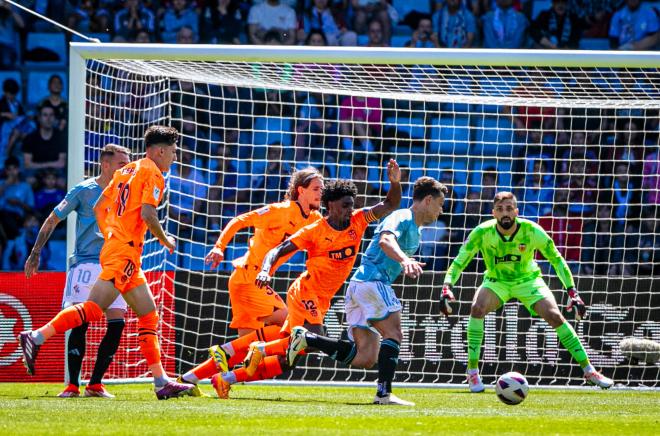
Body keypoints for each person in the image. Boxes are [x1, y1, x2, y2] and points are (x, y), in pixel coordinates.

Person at [18, 125, 195, 400]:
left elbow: (101, 205)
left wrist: (109, 232)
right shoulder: (154, 174)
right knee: (92, 310)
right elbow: (148, 213)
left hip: (122, 251)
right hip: (123, 252)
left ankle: (161, 382)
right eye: (173, 151)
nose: (174, 157)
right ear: (160, 151)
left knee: (148, 313)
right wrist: (164, 240)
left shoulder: (126, 170)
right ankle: (36, 336)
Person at [210, 159, 401, 400]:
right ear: (330, 205)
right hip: (305, 291)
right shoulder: (315, 230)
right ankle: (255, 348)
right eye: (344, 206)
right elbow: (277, 250)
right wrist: (265, 270)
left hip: (323, 298)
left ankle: (225, 378)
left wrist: (395, 183)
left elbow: (391, 203)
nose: (348, 211)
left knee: (288, 360)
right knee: (311, 339)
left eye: (351, 205)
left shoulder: (359, 220)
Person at [287, 177, 448, 406]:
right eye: (440, 204)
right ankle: (384, 394)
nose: (441, 210)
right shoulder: (402, 217)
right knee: (394, 334)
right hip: (372, 282)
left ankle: (307, 338)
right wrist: (405, 260)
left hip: (359, 286)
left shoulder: (416, 229)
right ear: (429, 200)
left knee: (366, 357)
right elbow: (385, 240)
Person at [440, 191, 614, 393]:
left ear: (516, 211)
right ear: (493, 213)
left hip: (529, 280)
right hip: (497, 280)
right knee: (476, 308)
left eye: (508, 209)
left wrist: (572, 292)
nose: (505, 213)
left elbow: (556, 259)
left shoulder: (532, 230)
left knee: (555, 316)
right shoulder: (481, 232)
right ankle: (472, 371)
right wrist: (447, 286)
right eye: (499, 209)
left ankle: (589, 370)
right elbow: (459, 262)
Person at [176, 167, 324, 394]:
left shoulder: (314, 219)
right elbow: (239, 220)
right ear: (300, 190)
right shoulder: (281, 210)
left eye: (322, 189)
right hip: (249, 277)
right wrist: (219, 247)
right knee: (292, 327)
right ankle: (223, 351)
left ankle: (188, 379)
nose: (320, 193)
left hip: (252, 281)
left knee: (248, 356)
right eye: (315, 189)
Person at [24, 144, 131, 398]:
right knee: (80, 323)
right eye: (121, 163)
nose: (127, 167)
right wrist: (36, 252)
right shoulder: (84, 191)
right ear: (105, 165)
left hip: (114, 263)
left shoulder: (126, 191)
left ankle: (95, 384)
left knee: (117, 323)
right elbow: (53, 219)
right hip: (86, 264)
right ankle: (72, 384)